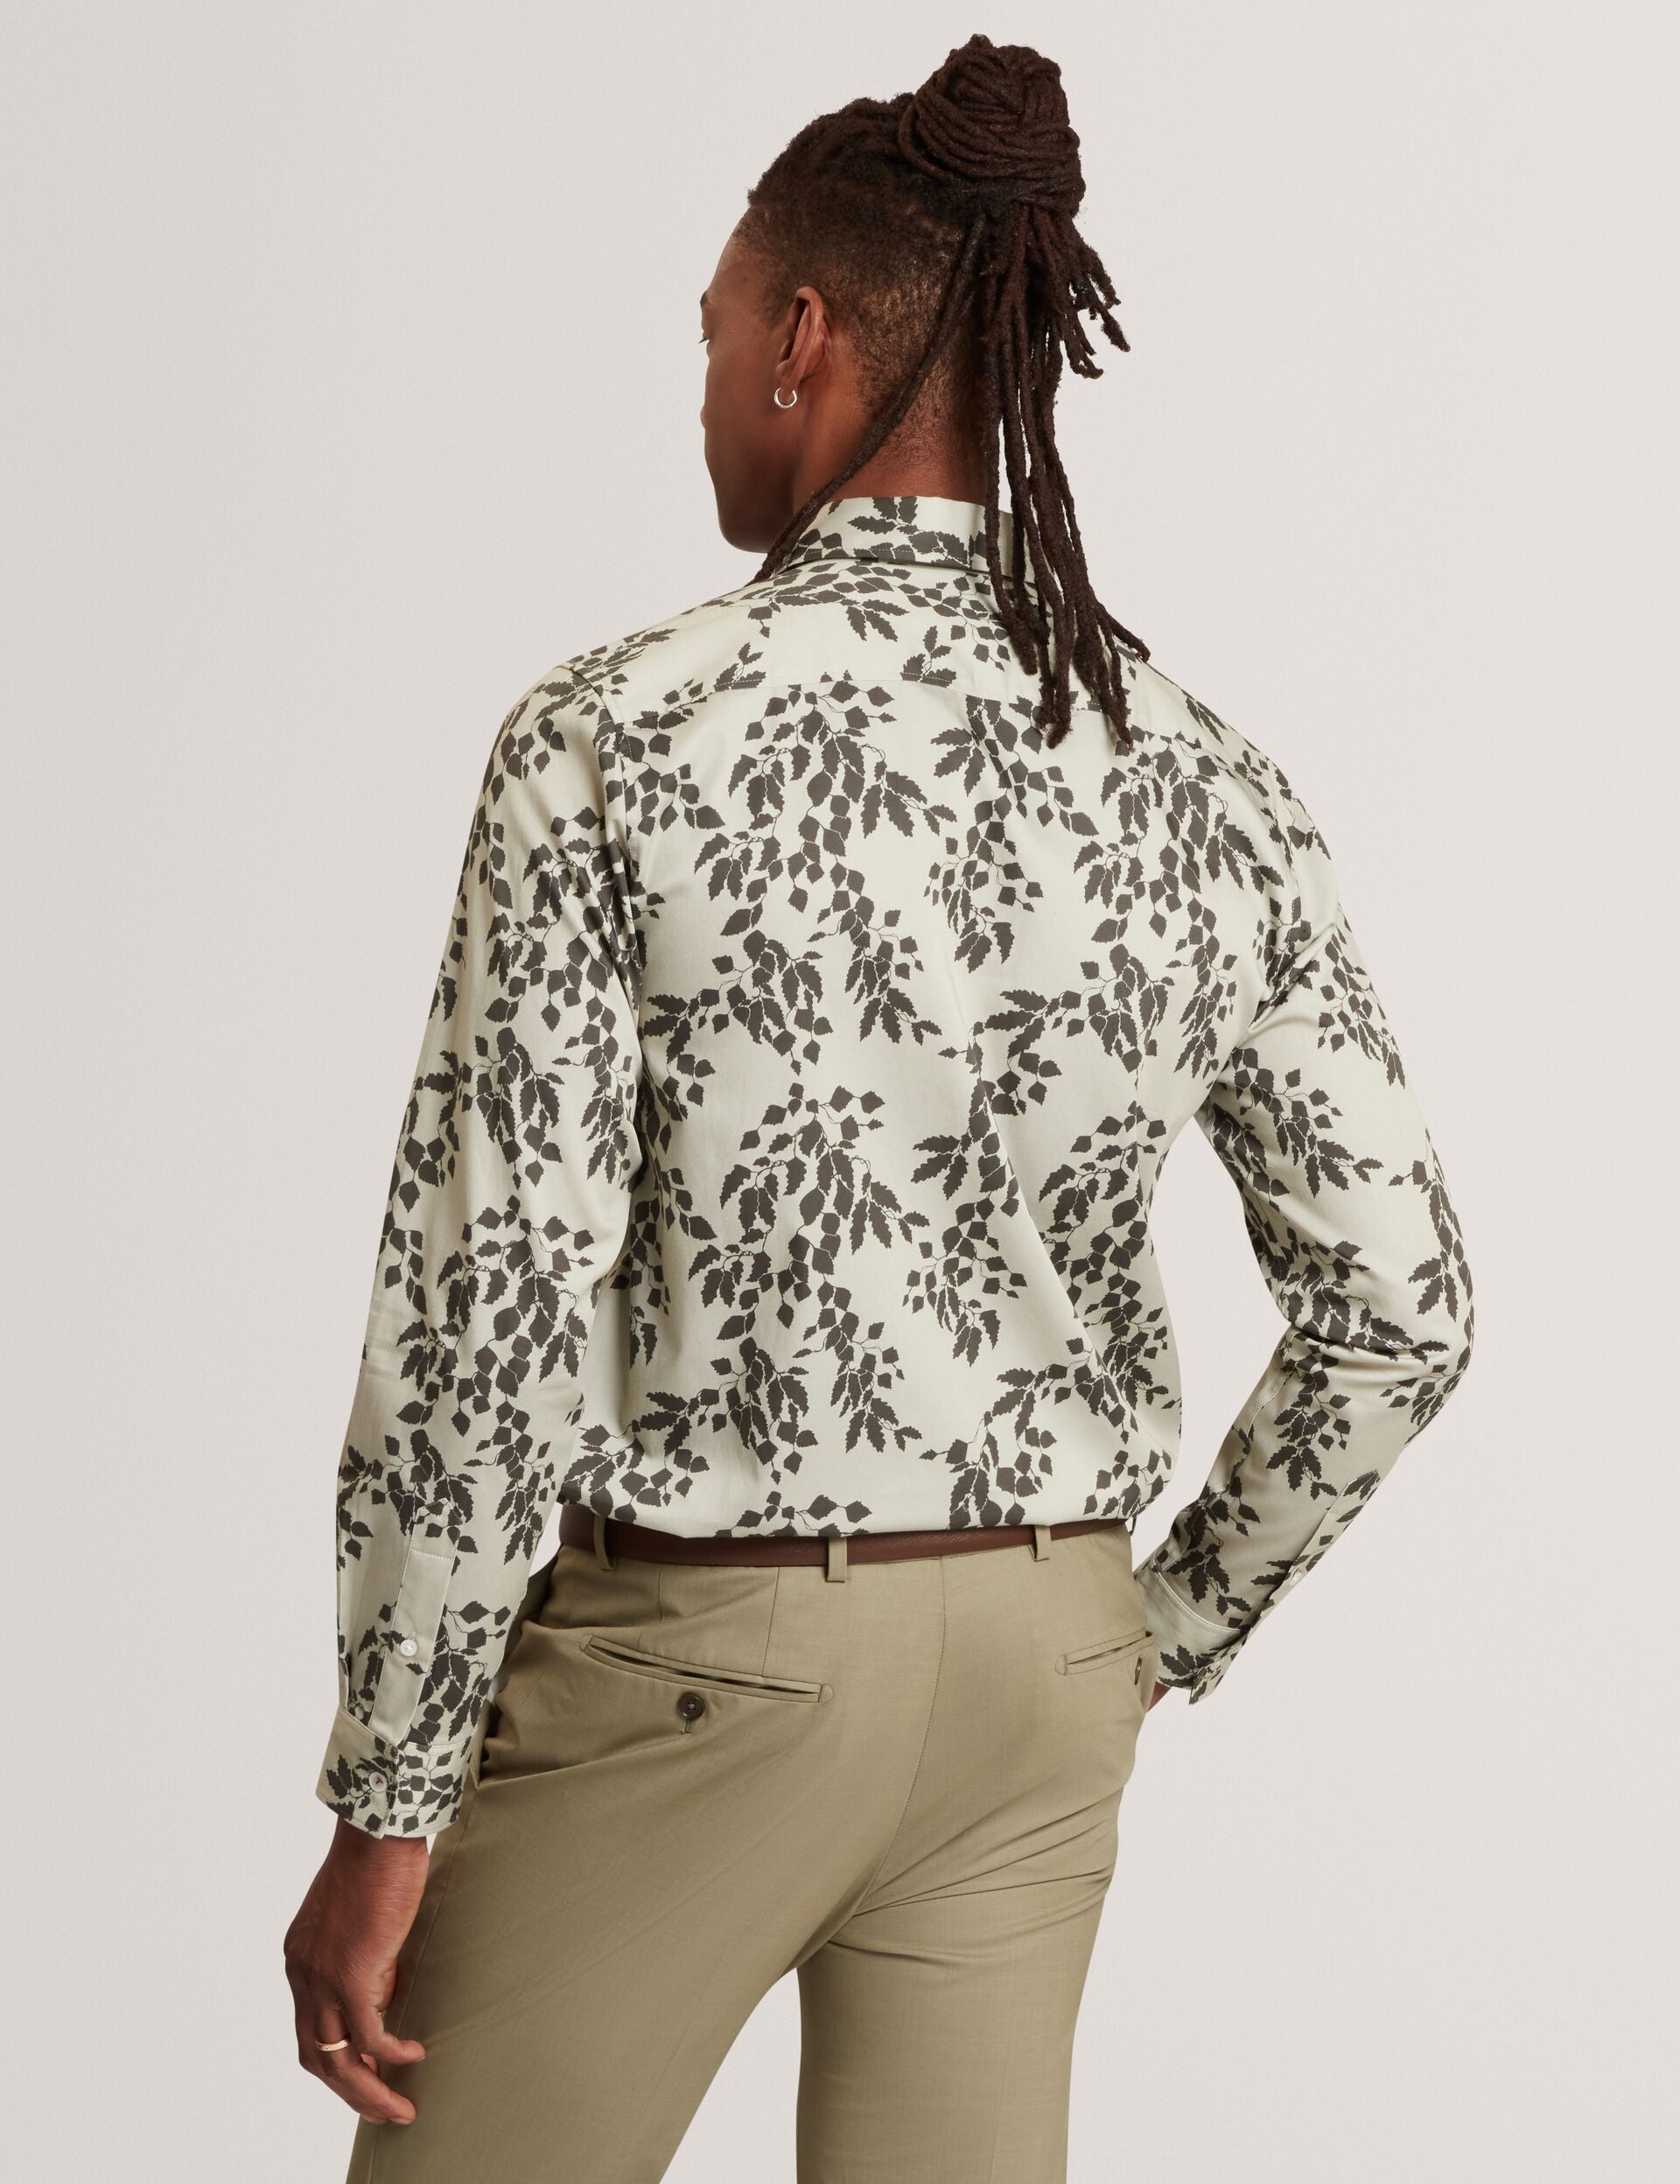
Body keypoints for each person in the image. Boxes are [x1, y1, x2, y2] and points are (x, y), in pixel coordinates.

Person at [284, 33, 1475, 2183]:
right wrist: (1152, 1632)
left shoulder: (617, 739)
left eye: (716, 330)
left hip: (704, 1655)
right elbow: (1405, 1307)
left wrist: (390, 1793)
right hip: (1043, 1677)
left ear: (804, 339)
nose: (707, 383)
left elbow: (493, 1309)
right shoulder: (1208, 779)